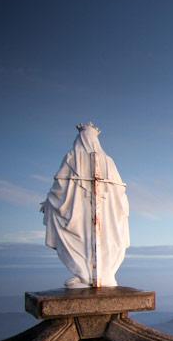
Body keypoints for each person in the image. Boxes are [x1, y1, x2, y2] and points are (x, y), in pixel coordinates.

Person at [41, 122, 130, 288]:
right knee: (102, 238)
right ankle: (95, 275)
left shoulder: (72, 158)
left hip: (86, 212)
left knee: (82, 238)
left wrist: (49, 202)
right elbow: (120, 194)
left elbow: (59, 188)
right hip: (96, 210)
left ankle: (91, 275)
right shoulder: (108, 161)